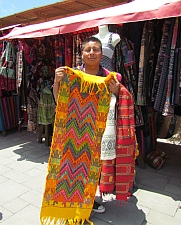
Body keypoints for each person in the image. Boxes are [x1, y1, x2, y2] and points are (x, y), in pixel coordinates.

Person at [54, 36, 121, 213]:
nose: (92, 53)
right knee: (73, 167)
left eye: (96, 49)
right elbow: (59, 101)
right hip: (75, 130)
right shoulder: (74, 75)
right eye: (88, 50)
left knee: (95, 168)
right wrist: (57, 81)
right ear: (82, 54)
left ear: (102, 53)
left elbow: (124, 104)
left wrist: (117, 92)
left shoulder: (110, 77)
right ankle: (71, 201)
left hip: (101, 130)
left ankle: (90, 201)